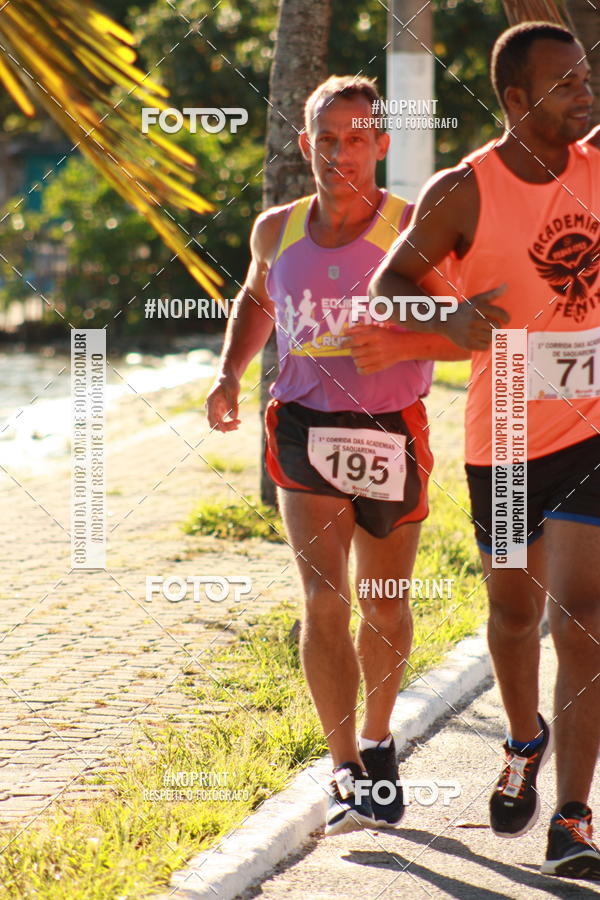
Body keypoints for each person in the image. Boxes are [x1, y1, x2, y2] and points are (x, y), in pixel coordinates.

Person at [206, 74, 469, 836]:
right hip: (303, 429)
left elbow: (471, 328)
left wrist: (399, 342)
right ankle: (345, 766)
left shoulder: (413, 228)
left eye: (358, 139)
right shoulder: (275, 229)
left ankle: (381, 742)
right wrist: (228, 372)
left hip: (390, 428)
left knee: (384, 600)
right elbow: (257, 299)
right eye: (328, 139)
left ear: (381, 145)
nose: (341, 153)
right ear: (306, 144)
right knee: (324, 599)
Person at [368, 21, 600, 879]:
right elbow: (387, 288)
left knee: (584, 618)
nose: (585, 94)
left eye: (587, 78)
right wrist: (450, 318)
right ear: (514, 99)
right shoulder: (464, 191)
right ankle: (522, 739)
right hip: (502, 436)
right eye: (567, 83)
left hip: (593, 427)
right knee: (513, 614)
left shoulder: (595, 162)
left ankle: (573, 820)